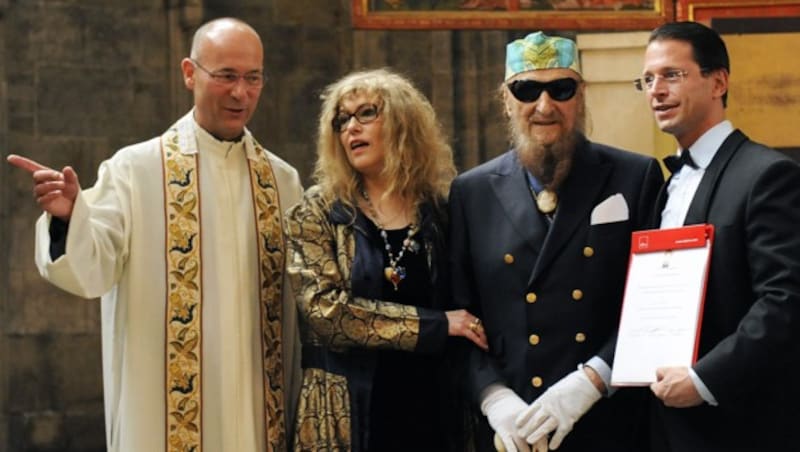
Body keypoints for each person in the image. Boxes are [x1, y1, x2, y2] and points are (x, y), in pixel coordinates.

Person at [7, 18, 303, 452]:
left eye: (252, 78)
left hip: (260, 411)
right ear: (189, 73)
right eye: (225, 76)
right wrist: (71, 218)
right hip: (164, 421)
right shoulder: (135, 170)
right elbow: (92, 270)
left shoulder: (283, 182)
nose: (240, 93)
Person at [448, 31, 664, 452]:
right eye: (527, 90)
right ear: (506, 100)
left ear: (580, 96)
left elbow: (652, 305)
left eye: (560, 89)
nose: (544, 106)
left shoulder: (635, 177)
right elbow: (457, 318)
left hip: (609, 421)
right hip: (513, 429)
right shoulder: (469, 192)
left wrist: (593, 380)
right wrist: (494, 398)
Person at [283, 68, 488, 452]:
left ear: (402, 123)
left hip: (431, 409)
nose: (350, 128)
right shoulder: (318, 211)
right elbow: (327, 315)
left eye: (366, 113)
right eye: (341, 120)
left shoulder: (440, 213)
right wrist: (434, 325)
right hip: (348, 413)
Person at [639, 21, 800, 452]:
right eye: (648, 79)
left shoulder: (767, 175)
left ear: (719, 82)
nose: (656, 90)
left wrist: (704, 379)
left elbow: (786, 300)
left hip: (741, 424)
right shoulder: (662, 183)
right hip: (666, 422)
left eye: (672, 75)